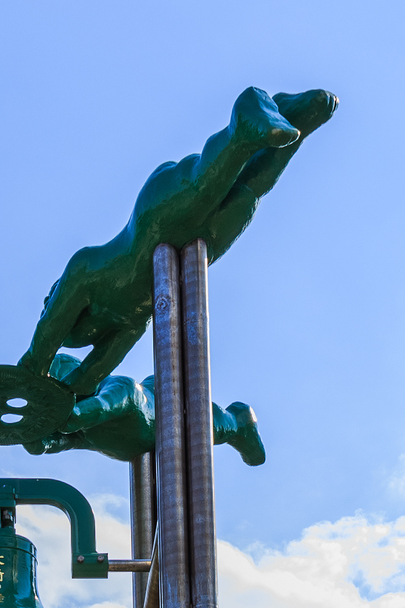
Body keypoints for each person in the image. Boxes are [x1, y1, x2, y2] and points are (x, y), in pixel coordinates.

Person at [20, 87, 336, 395]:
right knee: (249, 190)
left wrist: (33, 372)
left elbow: (49, 330)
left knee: (206, 184)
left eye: (50, 297)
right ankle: (297, 119)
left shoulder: (85, 267)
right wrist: (60, 406)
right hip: (192, 250)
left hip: (154, 220)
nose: (49, 302)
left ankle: (245, 114)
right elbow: (91, 376)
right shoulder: (131, 322)